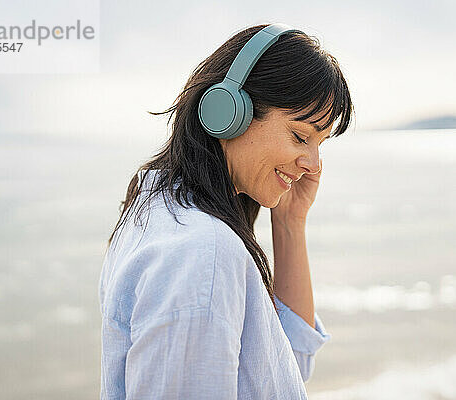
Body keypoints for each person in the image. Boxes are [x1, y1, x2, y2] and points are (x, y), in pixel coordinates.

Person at [98, 23, 354, 399]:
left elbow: (284, 365)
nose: (313, 164)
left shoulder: (156, 207)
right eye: (300, 136)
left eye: (320, 143)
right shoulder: (201, 253)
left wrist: (290, 222)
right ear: (227, 111)